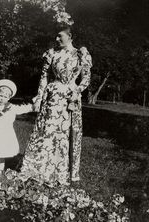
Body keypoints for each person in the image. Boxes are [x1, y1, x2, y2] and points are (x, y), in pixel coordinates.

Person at [20, 25, 92, 185]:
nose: (56, 39)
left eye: (60, 36)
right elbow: (44, 76)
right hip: (52, 97)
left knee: (63, 134)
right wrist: (40, 96)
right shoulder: (52, 53)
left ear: (70, 36)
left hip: (69, 99)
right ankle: (39, 170)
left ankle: (59, 172)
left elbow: (86, 79)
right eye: (56, 36)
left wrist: (77, 90)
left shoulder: (81, 54)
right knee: (47, 131)